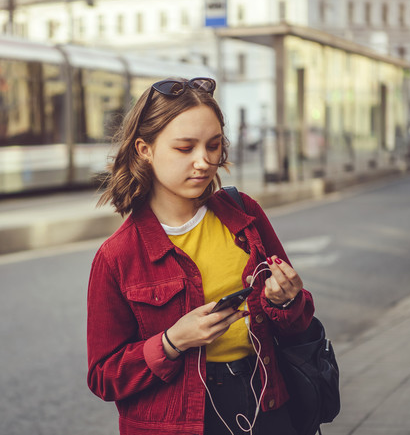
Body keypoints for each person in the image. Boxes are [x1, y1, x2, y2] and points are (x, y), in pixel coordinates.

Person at [86, 77, 315, 435]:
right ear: (144, 149)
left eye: (212, 146)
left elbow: (300, 320)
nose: (204, 161)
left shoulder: (244, 214)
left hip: (267, 403)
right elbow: (104, 377)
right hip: (180, 423)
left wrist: (288, 301)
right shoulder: (117, 255)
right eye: (184, 148)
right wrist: (172, 341)